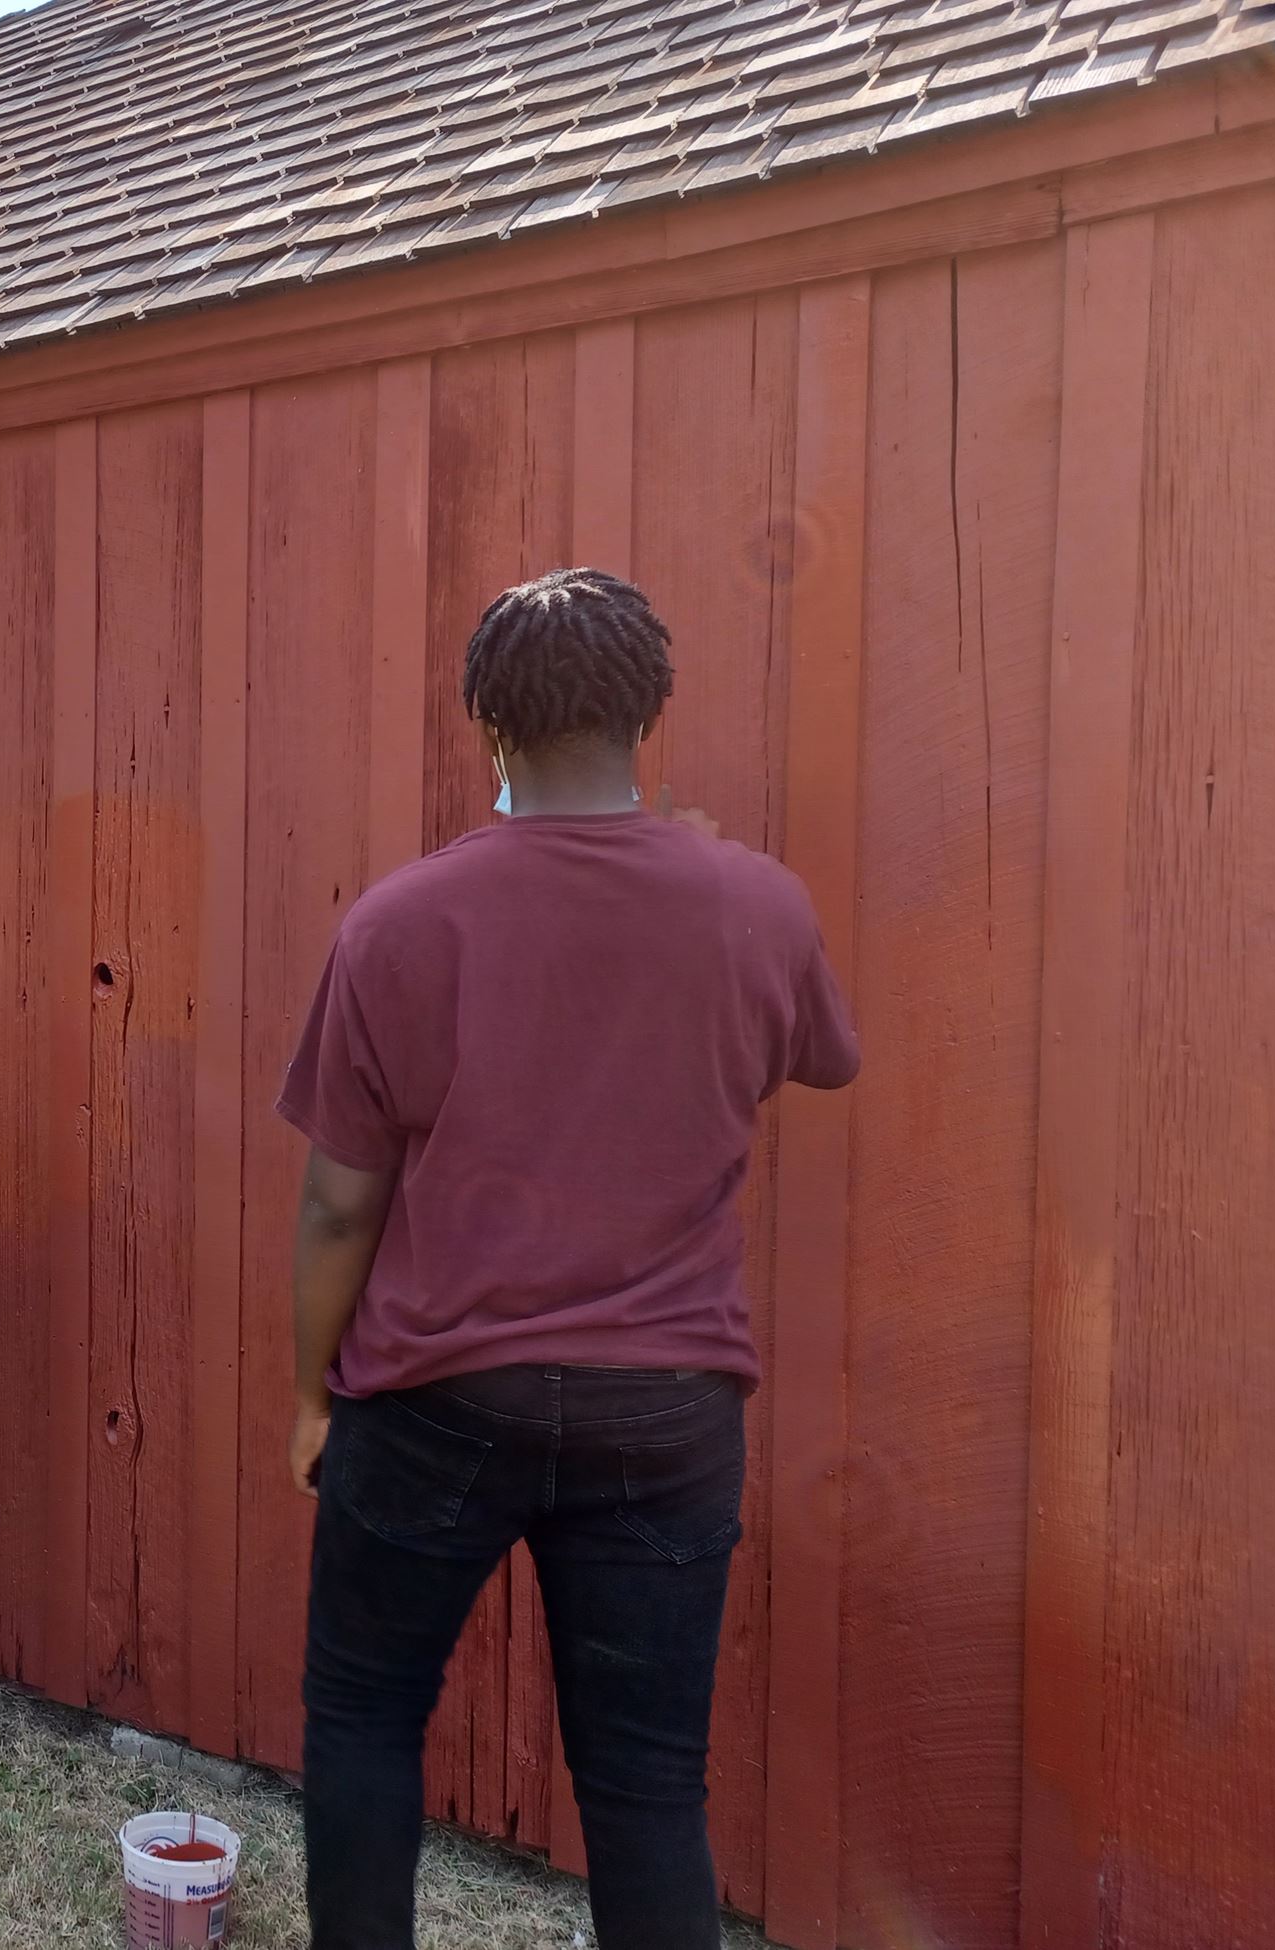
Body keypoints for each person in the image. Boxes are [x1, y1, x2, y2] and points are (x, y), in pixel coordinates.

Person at [278, 568, 860, 1950]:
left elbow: (339, 1209)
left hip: (433, 1397)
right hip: (667, 1406)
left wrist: (309, 1395)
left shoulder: (398, 921)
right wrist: (702, 886)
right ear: (651, 712)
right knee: (648, 1783)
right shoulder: (758, 904)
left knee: (364, 1715)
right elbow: (813, 1056)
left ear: (487, 724)